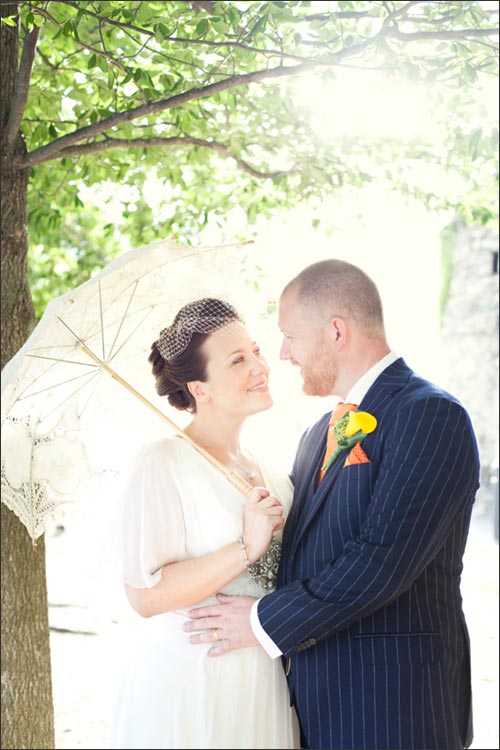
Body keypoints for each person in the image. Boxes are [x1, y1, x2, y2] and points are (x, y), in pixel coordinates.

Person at [183, 260, 480, 750]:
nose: (282, 354)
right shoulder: (318, 433)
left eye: (290, 337)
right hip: (317, 704)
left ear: (335, 331)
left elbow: (381, 560)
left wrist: (261, 620)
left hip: (395, 704)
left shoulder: (429, 415)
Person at [109, 297, 300, 749]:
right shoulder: (162, 463)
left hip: (261, 680)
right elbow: (144, 595)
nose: (260, 365)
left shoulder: (272, 474)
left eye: (256, 350)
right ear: (200, 388)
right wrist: (245, 547)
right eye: (238, 359)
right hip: (191, 681)